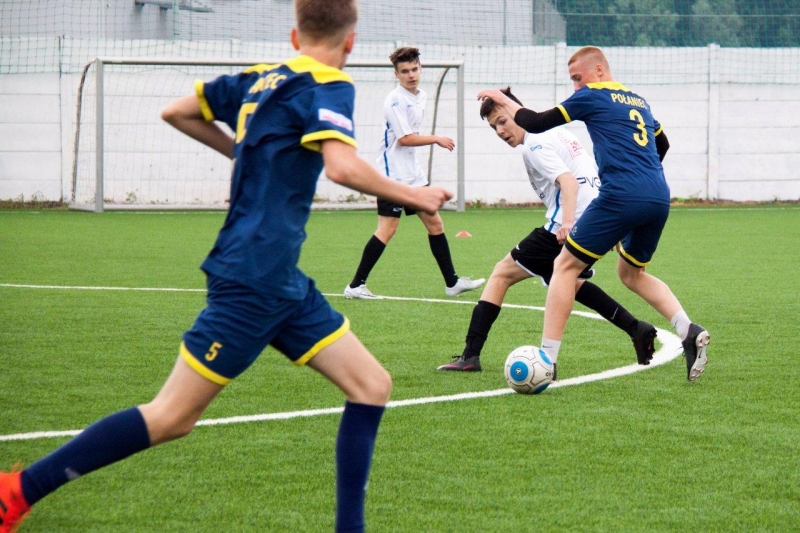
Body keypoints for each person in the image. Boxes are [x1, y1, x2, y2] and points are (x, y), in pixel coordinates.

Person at [0, 2, 453, 532]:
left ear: (294, 36)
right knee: (172, 416)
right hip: (252, 279)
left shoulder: (258, 77)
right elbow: (341, 166)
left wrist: (245, 153)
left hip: (282, 280)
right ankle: (18, 491)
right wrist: (415, 194)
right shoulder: (330, 83)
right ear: (350, 42)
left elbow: (177, 112)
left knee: (371, 385)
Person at [477, 46, 709, 382]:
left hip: (620, 194)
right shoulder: (638, 101)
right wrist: (641, 176)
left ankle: (547, 360)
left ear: (599, 70)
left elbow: (536, 122)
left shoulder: (593, 96)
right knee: (631, 274)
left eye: (577, 78)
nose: (575, 86)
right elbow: (663, 145)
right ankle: (688, 329)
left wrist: (502, 98)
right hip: (658, 196)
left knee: (564, 266)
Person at [438, 87, 657, 375]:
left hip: (569, 223)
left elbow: (569, 182)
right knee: (568, 282)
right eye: (494, 127)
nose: (500, 131)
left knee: (502, 273)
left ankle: (470, 356)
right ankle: (636, 328)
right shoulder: (559, 132)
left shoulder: (534, 143)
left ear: (516, 111)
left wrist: (567, 224)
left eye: (502, 121)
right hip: (597, 217)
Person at [344, 46, 484, 299]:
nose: (411, 75)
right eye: (405, 71)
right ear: (396, 74)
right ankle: (355, 286)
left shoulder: (421, 96)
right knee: (387, 229)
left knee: (435, 223)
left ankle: (452, 283)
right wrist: (436, 138)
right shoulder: (395, 100)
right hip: (392, 176)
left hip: (413, 174)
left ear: (421, 69)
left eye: (414, 69)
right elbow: (405, 139)